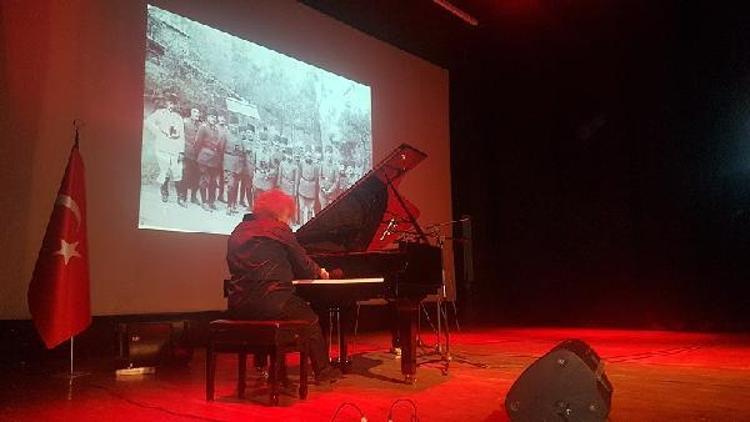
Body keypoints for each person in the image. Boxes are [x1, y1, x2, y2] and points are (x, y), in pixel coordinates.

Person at [225, 189, 341, 383]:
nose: (289, 221)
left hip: (239, 304)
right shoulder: (279, 229)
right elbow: (304, 266)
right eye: (288, 216)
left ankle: (278, 374)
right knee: (310, 319)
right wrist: (321, 272)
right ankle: (323, 371)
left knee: (289, 311)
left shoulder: (238, 230)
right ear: (279, 212)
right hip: (273, 301)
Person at [144, 93, 185, 205]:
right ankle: (164, 192)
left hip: (175, 147)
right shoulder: (160, 113)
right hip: (162, 146)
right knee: (165, 170)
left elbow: (181, 136)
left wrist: (181, 151)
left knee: (177, 171)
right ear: (166, 103)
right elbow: (148, 122)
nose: (172, 105)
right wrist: (158, 132)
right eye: (170, 102)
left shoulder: (178, 118)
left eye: (174, 103)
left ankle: (180, 197)